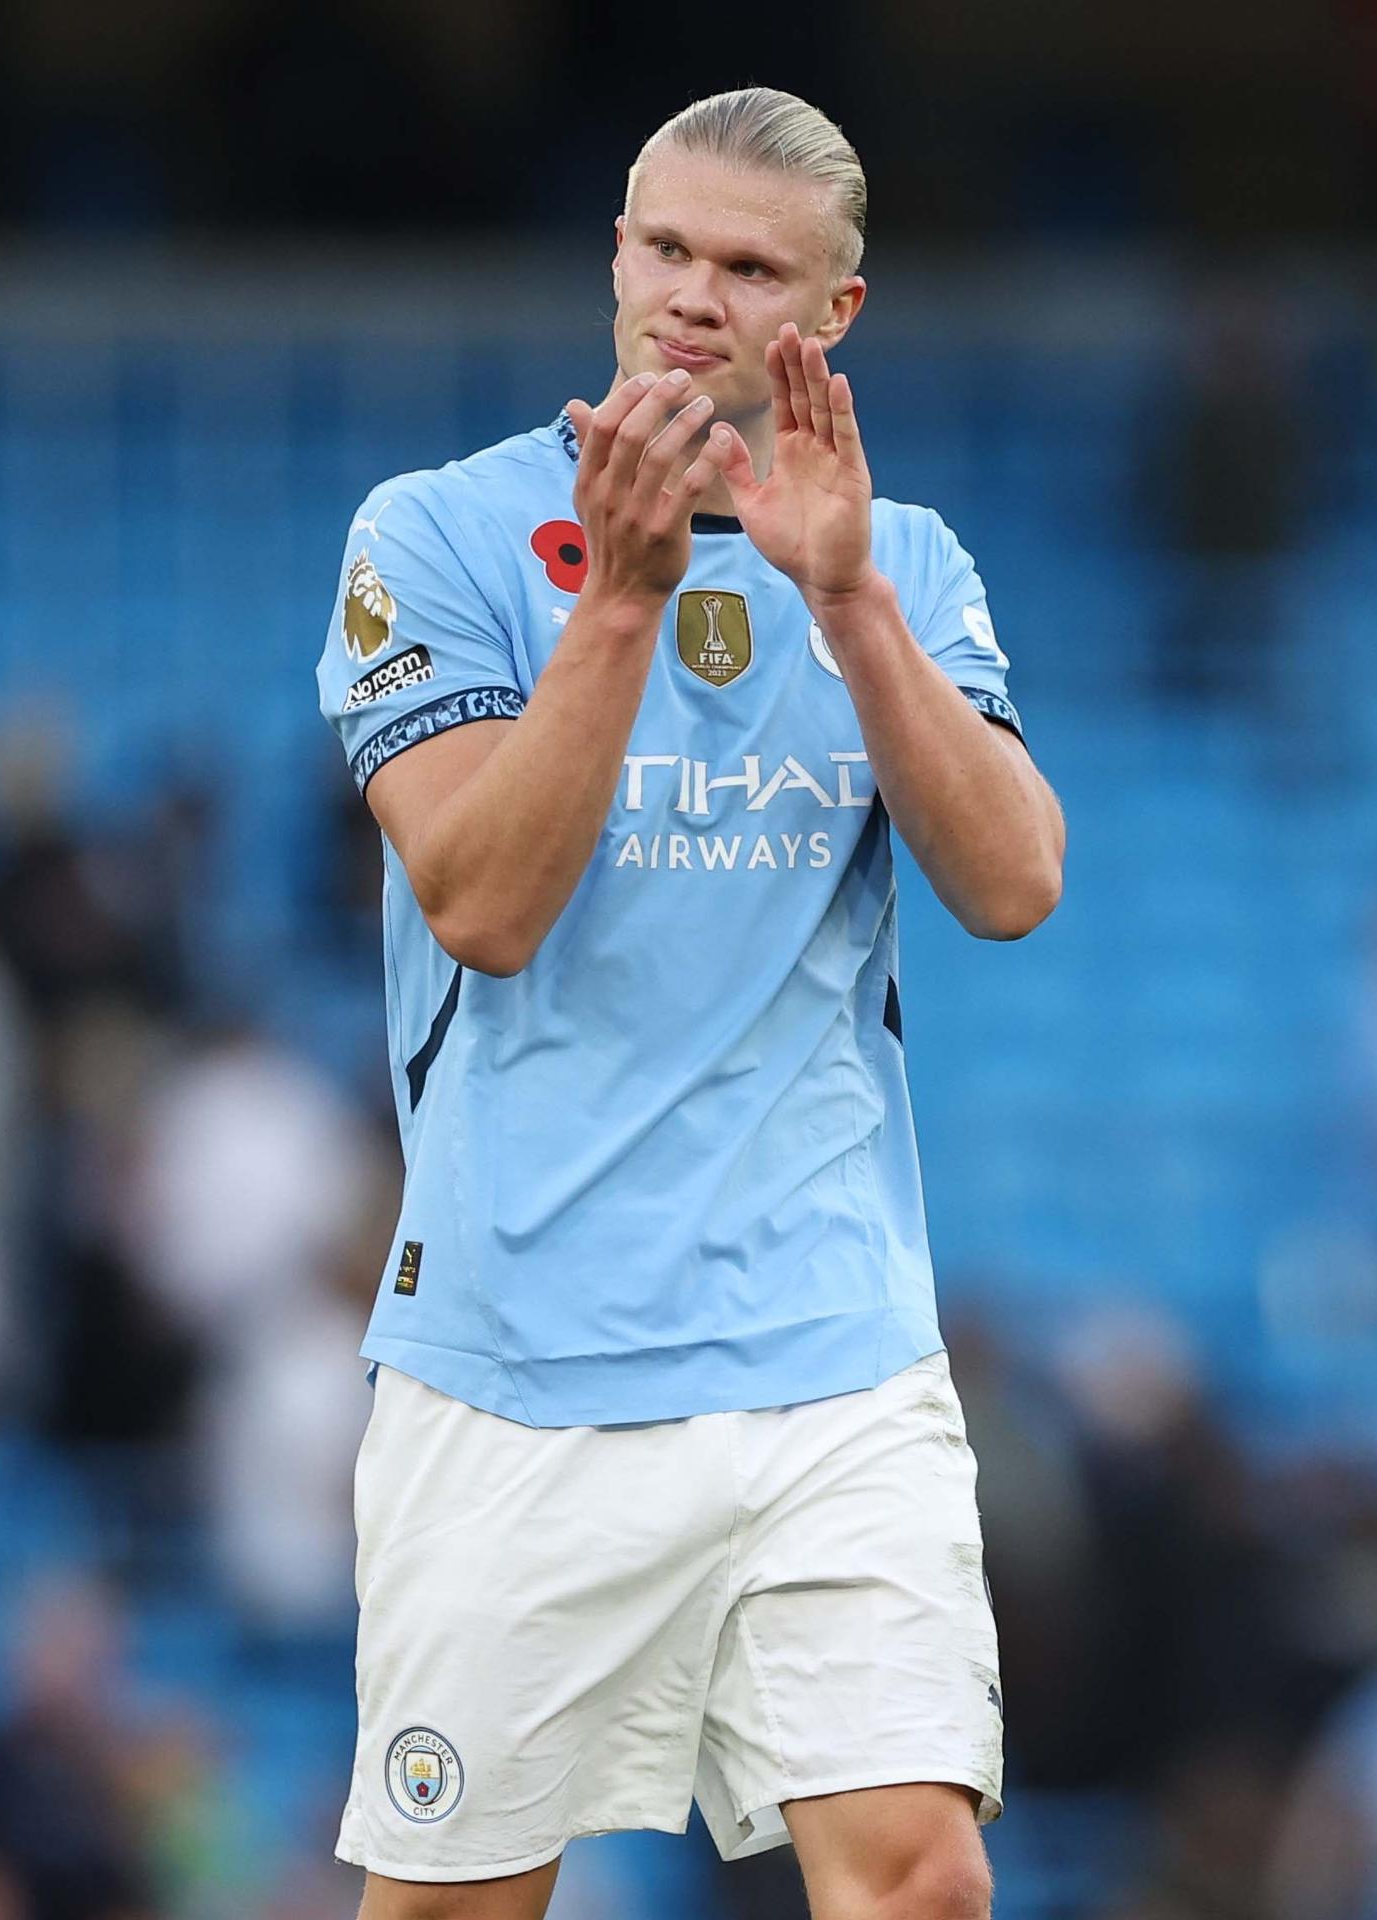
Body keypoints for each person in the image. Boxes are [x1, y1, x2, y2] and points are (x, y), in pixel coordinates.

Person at [317, 87, 1065, 1920]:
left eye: (749, 269)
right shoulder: (431, 536)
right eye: (665, 250)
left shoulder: (912, 559)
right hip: (523, 1365)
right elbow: (483, 904)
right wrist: (625, 600)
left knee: (922, 1880)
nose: (693, 299)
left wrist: (847, 596)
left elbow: (1012, 884)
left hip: (833, 1355)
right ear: (617, 256)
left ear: (835, 313)